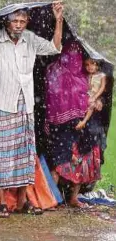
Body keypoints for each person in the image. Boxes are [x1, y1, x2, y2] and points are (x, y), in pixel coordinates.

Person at [0, 1, 64, 217]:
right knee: (5, 154)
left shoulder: (30, 39)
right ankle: (3, 202)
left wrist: (58, 20)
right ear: (7, 21)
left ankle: (23, 201)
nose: (19, 24)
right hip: (5, 102)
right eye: (15, 20)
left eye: (23, 21)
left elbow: (54, 47)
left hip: (26, 104)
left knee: (25, 153)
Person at [45, 42, 102, 208]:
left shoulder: (82, 76)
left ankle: (72, 198)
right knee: (59, 163)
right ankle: (51, 199)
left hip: (81, 127)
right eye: (72, 56)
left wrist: (97, 101)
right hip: (61, 129)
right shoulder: (55, 72)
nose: (75, 60)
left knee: (81, 163)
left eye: (78, 56)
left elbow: (91, 94)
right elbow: (53, 98)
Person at [75, 58, 107, 130]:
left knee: (91, 104)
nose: (90, 66)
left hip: (96, 95)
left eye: (92, 63)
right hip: (87, 94)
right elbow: (86, 87)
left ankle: (84, 121)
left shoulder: (102, 75)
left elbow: (102, 87)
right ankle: (78, 118)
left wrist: (96, 97)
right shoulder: (87, 75)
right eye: (87, 65)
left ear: (96, 64)